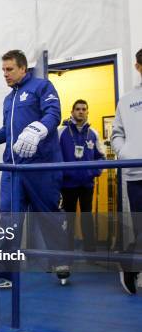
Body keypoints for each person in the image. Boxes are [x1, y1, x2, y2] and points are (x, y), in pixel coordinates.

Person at [0, 50, 67, 287]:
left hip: (40, 167)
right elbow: (9, 130)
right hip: (13, 168)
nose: (5, 74)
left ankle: (61, 260)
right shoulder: (9, 99)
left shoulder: (41, 87)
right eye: (3, 70)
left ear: (23, 68)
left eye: (10, 69)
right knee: (8, 221)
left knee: (48, 216)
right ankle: (5, 274)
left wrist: (38, 129)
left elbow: (54, 114)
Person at [111, 48, 142, 295]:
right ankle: (130, 264)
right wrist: (127, 153)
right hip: (137, 175)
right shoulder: (128, 100)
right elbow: (116, 134)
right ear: (138, 67)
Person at [58, 100, 105, 252]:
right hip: (67, 185)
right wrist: (62, 175)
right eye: (77, 109)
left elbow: (102, 157)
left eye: (84, 109)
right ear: (72, 112)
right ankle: (68, 252)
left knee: (87, 218)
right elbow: (54, 156)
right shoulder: (61, 132)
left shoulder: (93, 134)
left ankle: (90, 251)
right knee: (68, 219)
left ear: (87, 112)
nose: (81, 111)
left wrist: (94, 172)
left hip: (86, 184)